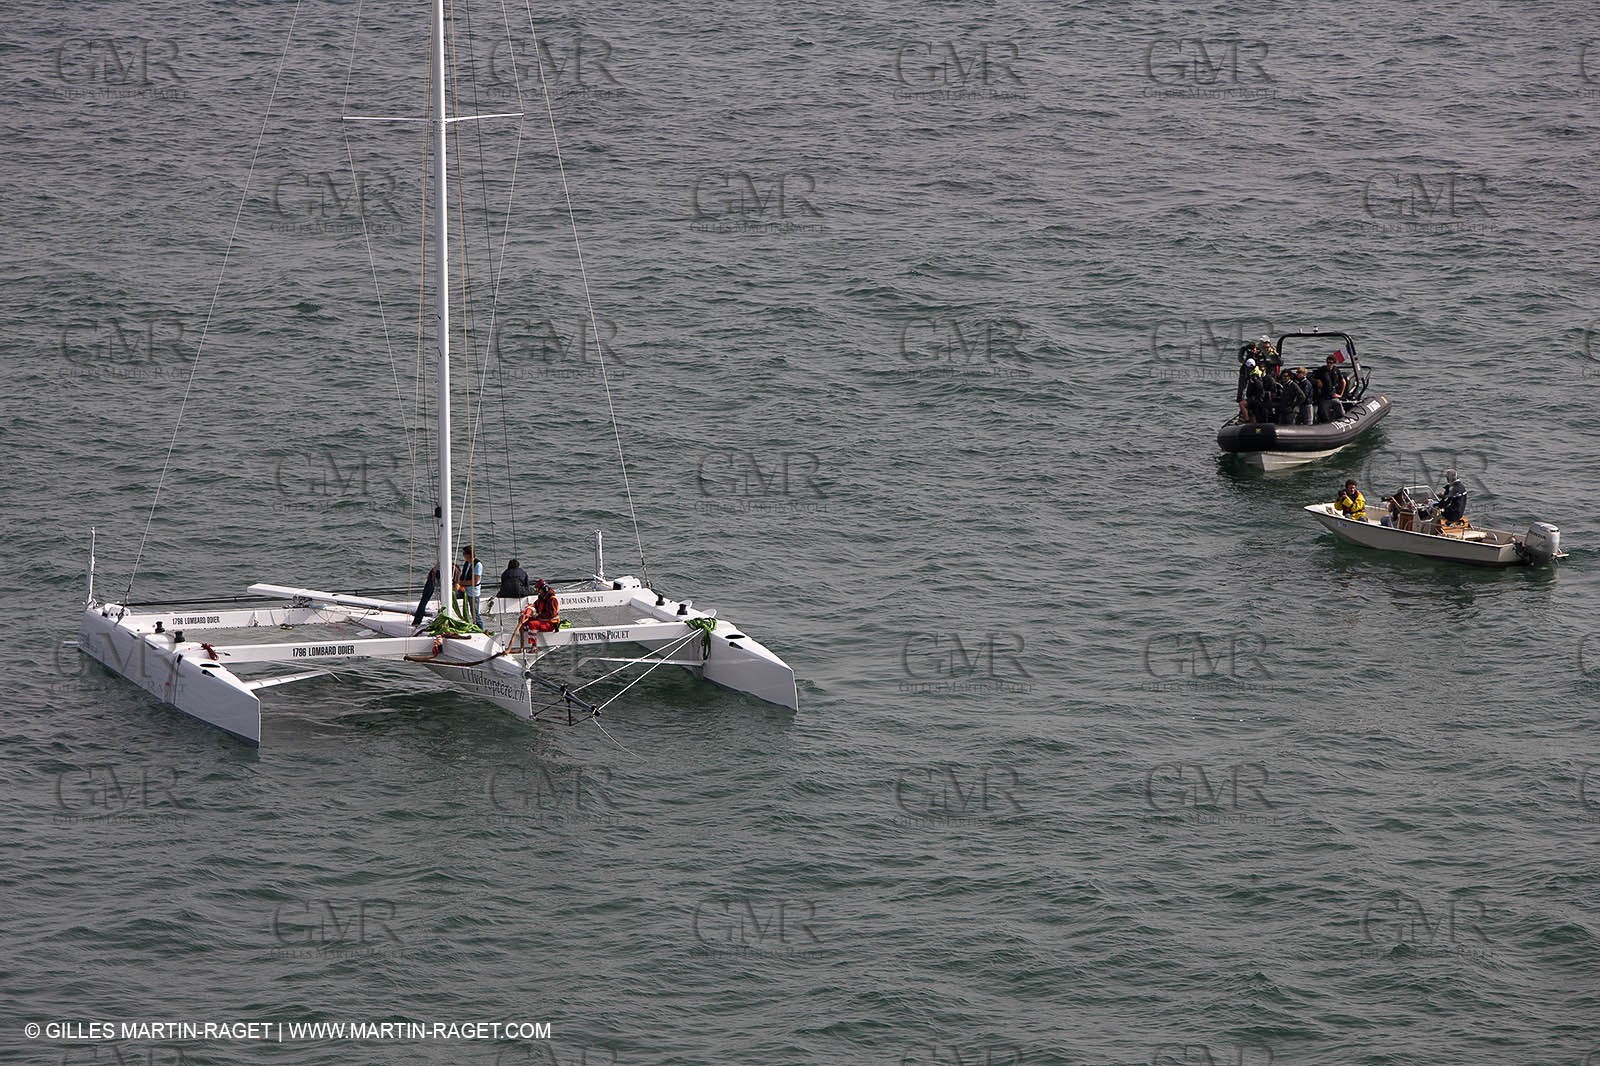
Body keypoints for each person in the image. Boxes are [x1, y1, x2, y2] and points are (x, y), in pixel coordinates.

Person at [455, 545, 482, 626]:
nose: (463, 555)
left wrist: (460, 583)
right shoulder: (467, 563)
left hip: (473, 592)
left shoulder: (478, 565)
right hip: (464, 590)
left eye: (464, 554)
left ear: (468, 555)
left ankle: (480, 629)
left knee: (475, 613)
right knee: (452, 596)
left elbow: (475, 581)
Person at [412, 563, 440, 628]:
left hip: (433, 578)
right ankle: (417, 621)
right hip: (433, 579)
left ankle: (417, 621)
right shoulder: (452, 568)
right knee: (424, 601)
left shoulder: (437, 567)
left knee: (423, 601)